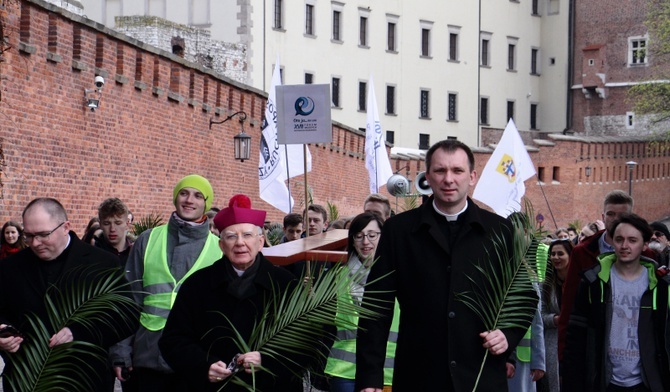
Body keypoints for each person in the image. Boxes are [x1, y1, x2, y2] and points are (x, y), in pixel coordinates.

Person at [355, 139, 537, 391]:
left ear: (472, 176)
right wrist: (370, 377)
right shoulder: (399, 231)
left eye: (457, 171)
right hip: (419, 374)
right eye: (440, 171)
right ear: (428, 177)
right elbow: (376, 307)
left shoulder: (500, 231)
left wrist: (507, 334)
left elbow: (525, 295)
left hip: (480, 373)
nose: (448, 179)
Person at [158, 194, 302, 391]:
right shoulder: (197, 285)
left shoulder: (286, 284)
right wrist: (203, 364)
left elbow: (309, 341)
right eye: (231, 236)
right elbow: (173, 340)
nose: (240, 243)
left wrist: (268, 360)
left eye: (247, 235)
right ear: (221, 245)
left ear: (260, 242)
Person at [0, 198, 138, 391]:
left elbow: (126, 315)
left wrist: (79, 332)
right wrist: (3, 332)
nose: (35, 243)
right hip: (28, 379)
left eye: (43, 234)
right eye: (29, 236)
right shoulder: (9, 267)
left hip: (85, 379)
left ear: (65, 227)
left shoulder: (101, 263)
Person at [110, 174, 223, 392]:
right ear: (175, 198)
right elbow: (128, 300)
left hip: (196, 358)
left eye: (198, 195)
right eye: (184, 193)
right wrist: (121, 352)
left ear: (205, 204)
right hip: (148, 354)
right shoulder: (148, 239)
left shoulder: (219, 248)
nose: (189, 200)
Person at [562, 213, 670, 391]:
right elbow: (575, 338)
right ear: (612, 242)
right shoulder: (593, 282)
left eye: (632, 240)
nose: (624, 246)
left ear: (644, 245)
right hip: (604, 380)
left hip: (648, 382)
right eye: (619, 239)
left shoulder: (661, 284)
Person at [324, 212, 400, 392]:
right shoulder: (336, 276)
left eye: (372, 235)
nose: (365, 241)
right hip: (346, 372)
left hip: (389, 371)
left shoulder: (399, 275)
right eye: (358, 236)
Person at [557, 190, 635, 361]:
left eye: (622, 215)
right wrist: (564, 355)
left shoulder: (647, 255)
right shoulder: (582, 252)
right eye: (611, 214)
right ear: (603, 216)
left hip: (631, 341)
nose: (616, 219)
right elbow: (569, 304)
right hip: (591, 339)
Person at [540, 238, 574, 392]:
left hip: (574, 340)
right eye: (552, 254)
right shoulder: (546, 284)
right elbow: (540, 315)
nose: (555, 257)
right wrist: (555, 320)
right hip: (552, 341)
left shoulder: (579, 281)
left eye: (560, 254)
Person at [96, 198, 133, 266]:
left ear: (127, 223)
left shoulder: (136, 253)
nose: (112, 229)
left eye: (118, 223)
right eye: (107, 223)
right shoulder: (92, 254)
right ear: (100, 224)